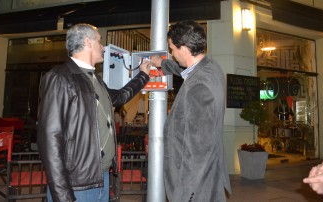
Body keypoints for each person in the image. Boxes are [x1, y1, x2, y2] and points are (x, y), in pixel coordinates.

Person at [37, 23, 150, 202]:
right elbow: (49, 138)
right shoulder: (60, 77)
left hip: (101, 177)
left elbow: (120, 97)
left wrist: (143, 75)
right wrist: (62, 194)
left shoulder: (94, 79)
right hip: (76, 184)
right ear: (88, 42)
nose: (103, 47)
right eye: (99, 41)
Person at [151, 20, 231, 202]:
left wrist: (185, 194)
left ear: (184, 50)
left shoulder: (199, 87)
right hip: (209, 175)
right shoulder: (211, 68)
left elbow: (198, 149)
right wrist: (162, 64)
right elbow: (184, 71)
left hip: (197, 186)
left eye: (172, 49)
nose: (172, 53)